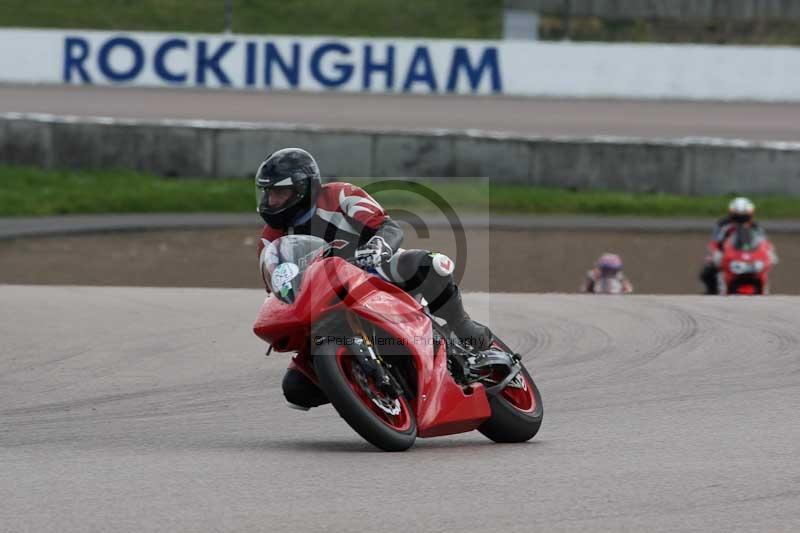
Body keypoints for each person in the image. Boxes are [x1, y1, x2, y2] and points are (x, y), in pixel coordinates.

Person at [255, 147, 493, 409]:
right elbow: (278, 288)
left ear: (303, 188)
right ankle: (358, 384)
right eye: (268, 193)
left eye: (279, 193)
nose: (272, 201)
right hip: (323, 302)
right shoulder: (269, 239)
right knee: (296, 389)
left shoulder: (340, 195)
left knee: (428, 264)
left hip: (372, 270)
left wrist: (378, 246)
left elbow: (387, 226)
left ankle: (462, 326)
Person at [699, 197, 762, 294]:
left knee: (762, 270)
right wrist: (716, 253)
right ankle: (712, 293)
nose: (741, 219)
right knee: (707, 272)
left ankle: (764, 291)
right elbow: (715, 241)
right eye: (738, 216)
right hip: (728, 255)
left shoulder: (756, 227)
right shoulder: (724, 225)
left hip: (750, 257)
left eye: (745, 216)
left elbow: (762, 242)